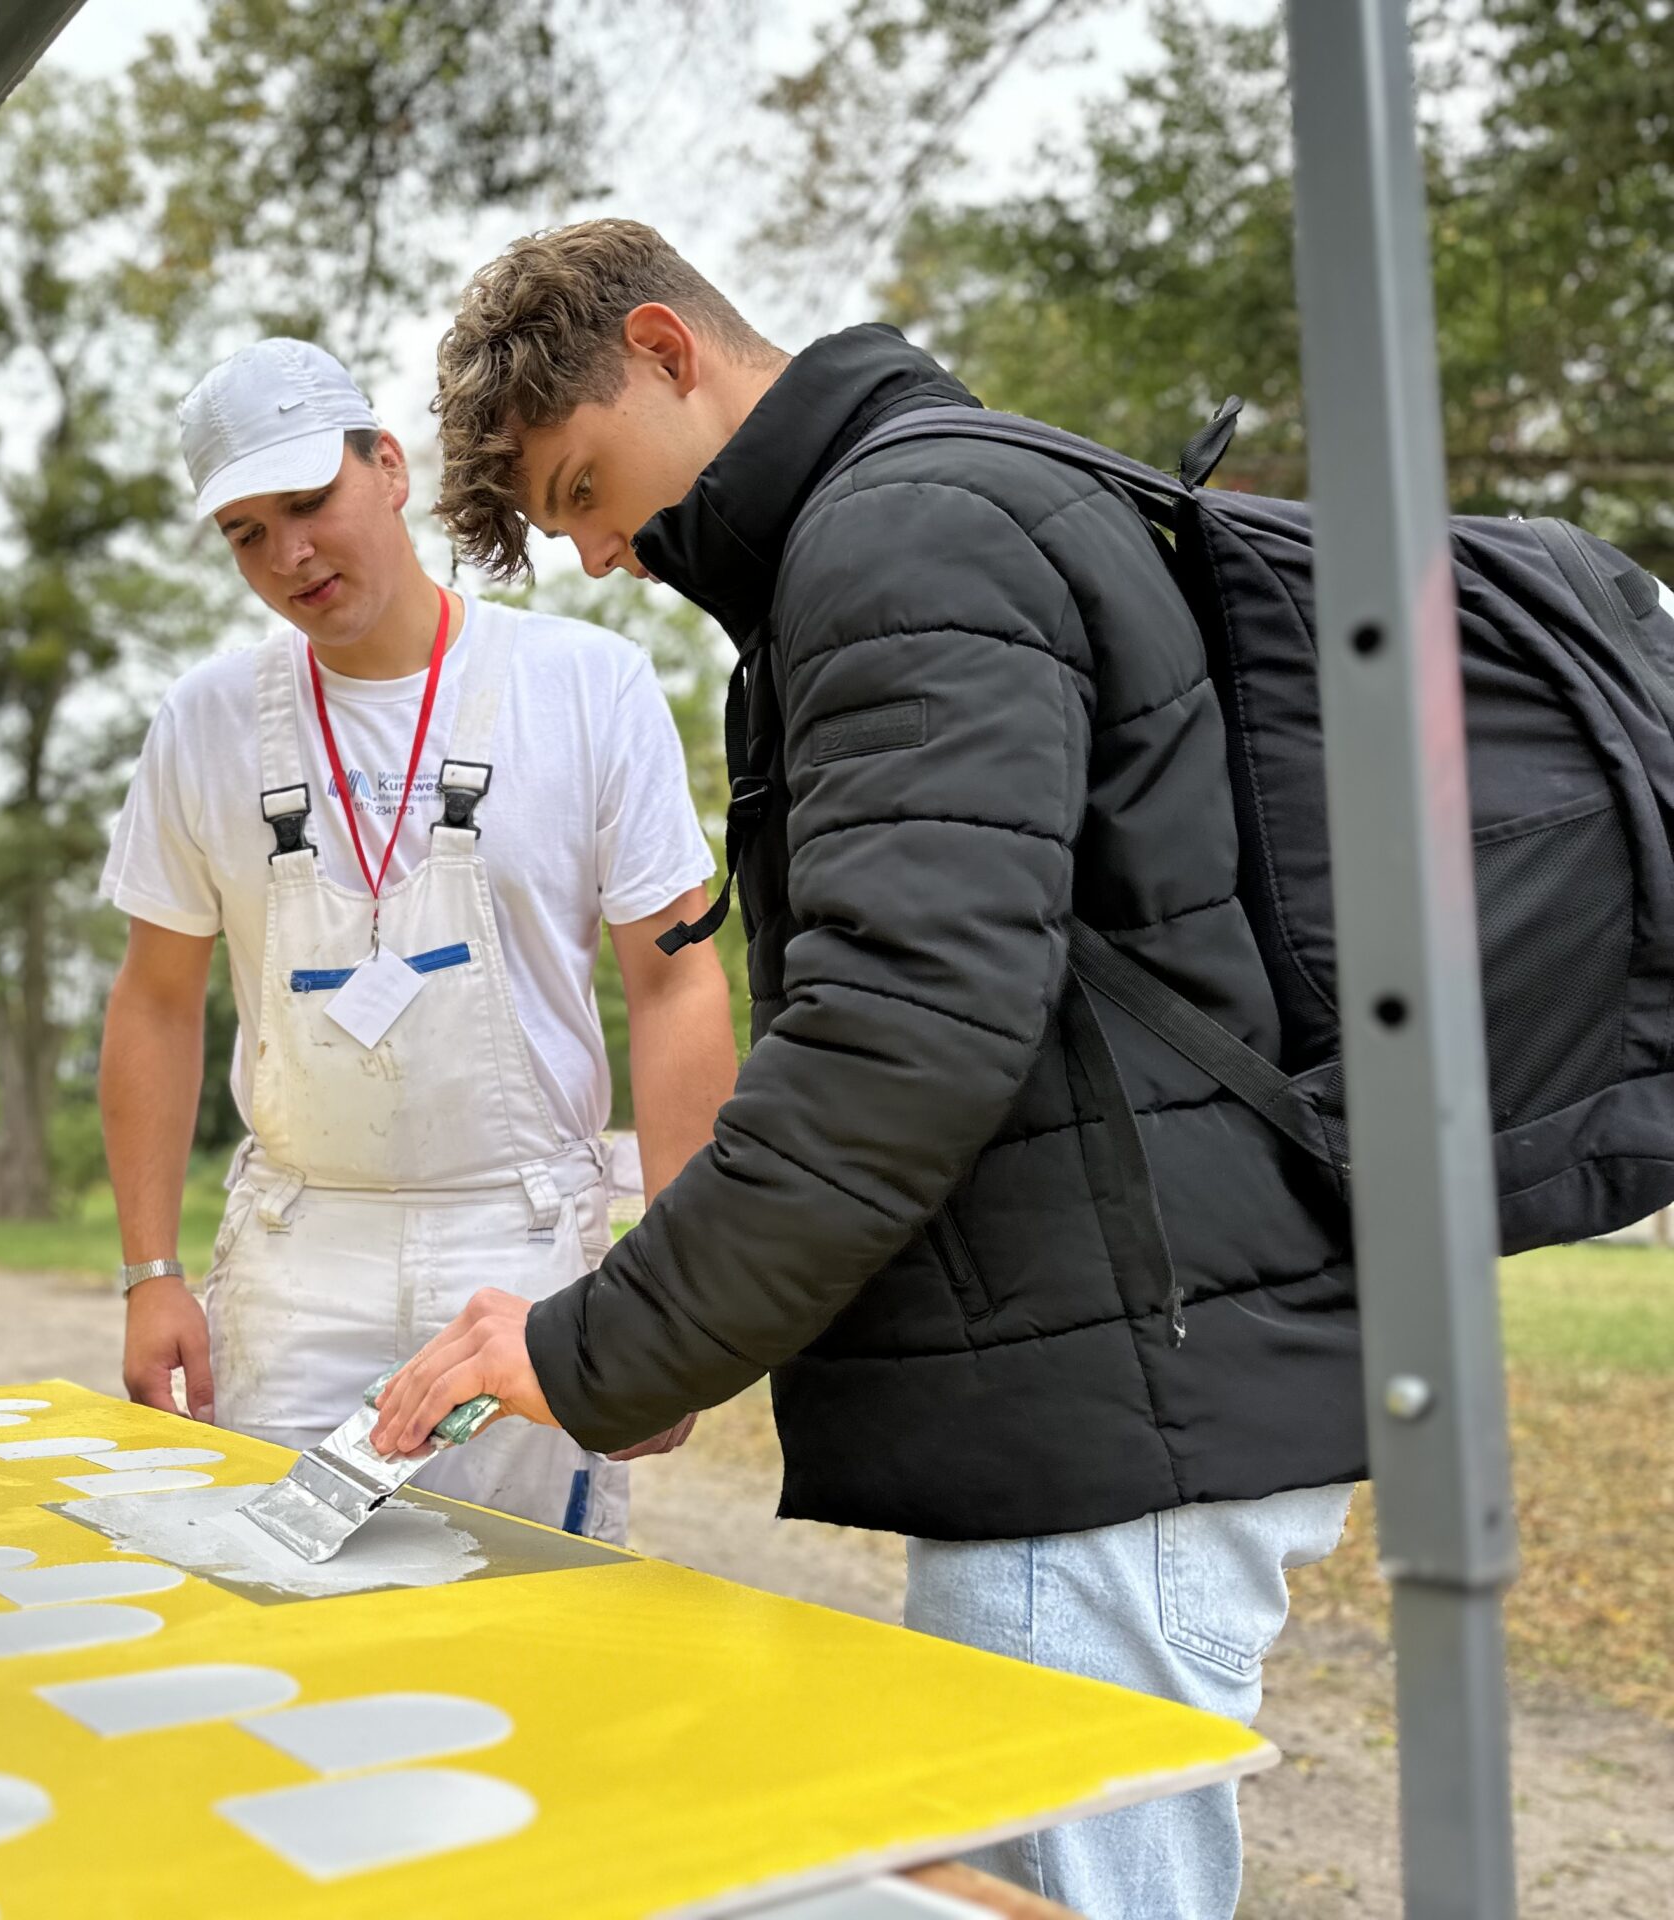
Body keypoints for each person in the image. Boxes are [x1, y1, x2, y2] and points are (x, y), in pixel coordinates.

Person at [372, 220, 1362, 1918]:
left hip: (1108, 1422)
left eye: (589, 487)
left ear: (672, 351)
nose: (605, 556)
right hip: (1117, 1384)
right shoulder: (941, 508)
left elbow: (895, 1044)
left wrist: (595, 1343)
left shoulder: (902, 545)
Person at [97, 336, 736, 1540]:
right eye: (244, 532)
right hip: (296, 1260)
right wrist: (150, 1273)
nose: (288, 554)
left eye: (307, 501)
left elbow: (675, 986)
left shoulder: (584, 685)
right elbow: (155, 999)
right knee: (270, 1622)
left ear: (386, 468)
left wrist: (678, 1301)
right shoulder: (205, 724)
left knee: (525, 1631)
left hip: (523, 1250)